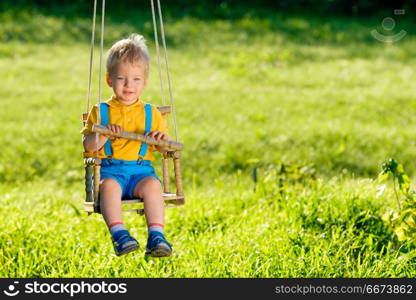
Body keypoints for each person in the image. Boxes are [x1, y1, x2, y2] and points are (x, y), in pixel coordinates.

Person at [81, 34, 172, 257]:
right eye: (122, 78)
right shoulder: (101, 111)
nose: (129, 85)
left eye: (136, 79)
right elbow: (87, 145)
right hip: (111, 171)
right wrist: (102, 136)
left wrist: (159, 141)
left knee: (153, 186)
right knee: (109, 188)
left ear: (145, 82)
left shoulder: (151, 113)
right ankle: (120, 235)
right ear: (109, 80)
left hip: (141, 171)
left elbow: (165, 149)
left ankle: (156, 236)